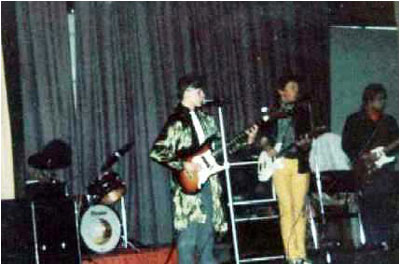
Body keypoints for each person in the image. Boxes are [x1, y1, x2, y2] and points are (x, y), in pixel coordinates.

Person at [149, 74, 258, 263]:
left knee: (207, 237)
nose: (203, 95)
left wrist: (244, 141)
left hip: (208, 183)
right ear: (188, 93)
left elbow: (219, 149)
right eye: (200, 92)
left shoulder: (207, 119)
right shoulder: (176, 121)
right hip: (187, 189)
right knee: (187, 239)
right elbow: (157, 151)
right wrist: (183, 163)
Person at [262, 75, 312, 264]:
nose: (295, 91)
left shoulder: (303, 112)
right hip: (280, 164)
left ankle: (302, 254)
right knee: (286, 209)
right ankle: (291, 256)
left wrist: (306, 144)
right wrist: (269, 149)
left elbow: (307, 139)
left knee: (299, 209)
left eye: (296, 88)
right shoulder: (272, 113)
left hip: (299, 163)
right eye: (291, 87)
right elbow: (264, 137)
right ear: (281, 92)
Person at [342, 84, 398, 252]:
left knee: (385, 204)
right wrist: (362, 157)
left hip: (384, 169)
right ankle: (371, 241)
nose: (383, 102)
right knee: (367, 204)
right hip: (364, 168)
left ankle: (385, 241)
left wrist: (386, 153)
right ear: (369, 100)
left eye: (383, 99)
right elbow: (346, 144)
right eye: (379, 99)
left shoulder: (389, 121)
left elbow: (396, 145)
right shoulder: (354, 120)